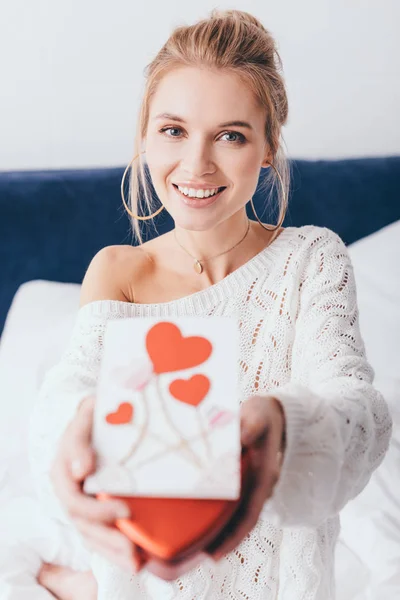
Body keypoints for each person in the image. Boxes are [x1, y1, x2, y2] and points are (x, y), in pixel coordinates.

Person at [22, 8, 392, 600]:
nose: (196, 165)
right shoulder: (117, 271)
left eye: (231, 135)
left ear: (268, 147)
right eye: (173, 130)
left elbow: (361, 418)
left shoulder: (312, 259)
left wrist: (281, 422)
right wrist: (73, 432)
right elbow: (65, 399)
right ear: (145, 136)